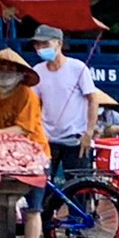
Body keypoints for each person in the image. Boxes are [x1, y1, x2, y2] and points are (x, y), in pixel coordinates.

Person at [28, 25, 99, 178]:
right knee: (44, 185)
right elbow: (32, 104)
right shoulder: (38, 71)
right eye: (37, 45)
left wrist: (89, 133)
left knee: (77, 186)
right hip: (47, 139)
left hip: (75, 138)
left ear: (59, 43)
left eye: (45, 44)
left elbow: (93, 100)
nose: (40, 48)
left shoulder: (77, 68)